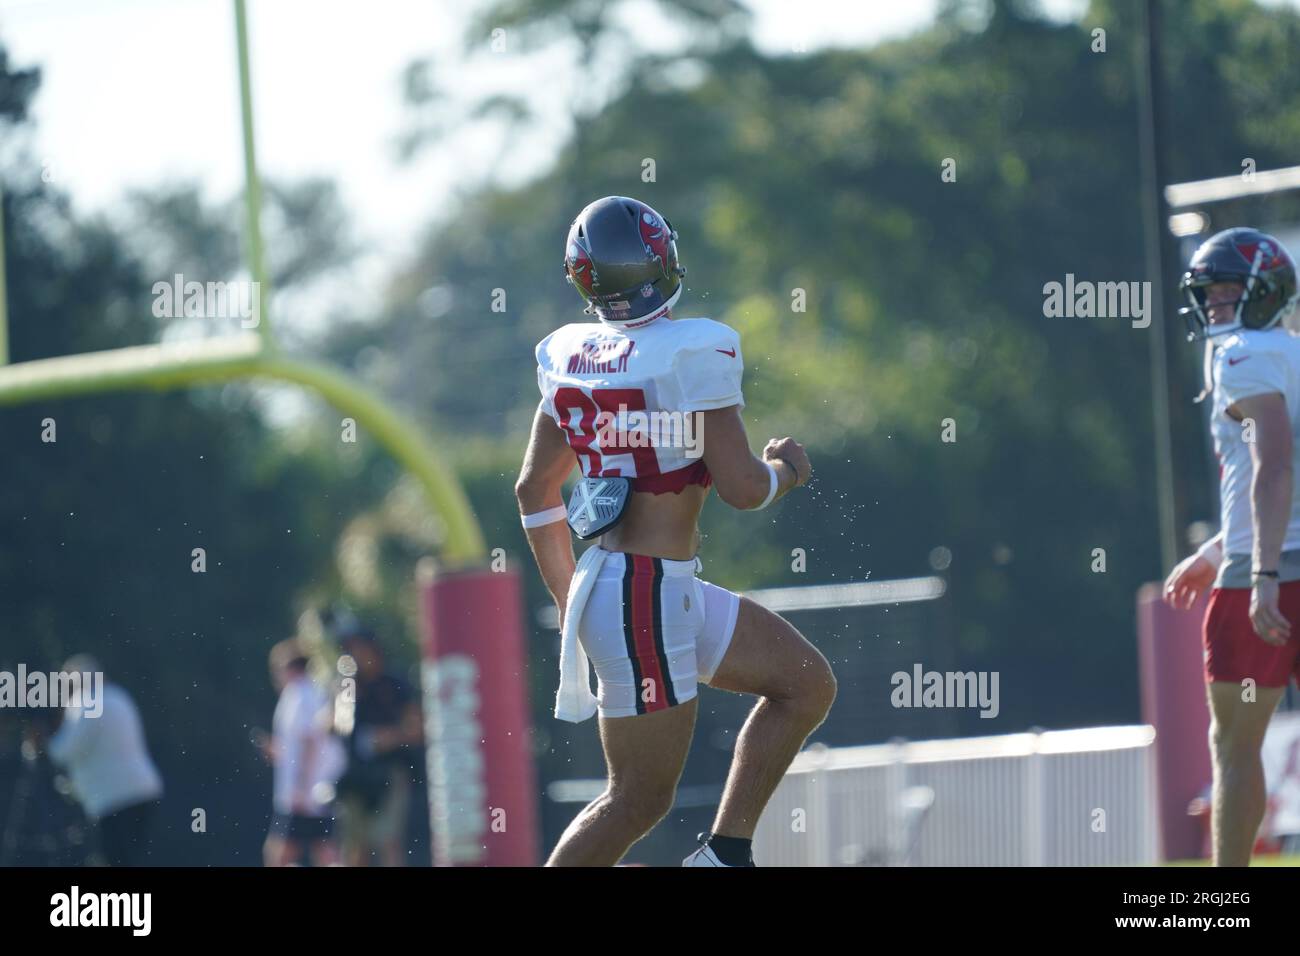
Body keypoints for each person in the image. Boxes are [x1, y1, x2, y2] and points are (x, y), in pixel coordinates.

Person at [516, 196, 836, 867]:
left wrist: (566, 597)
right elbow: (743, 488)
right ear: (661, 258)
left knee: (805, 683)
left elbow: (534, 490)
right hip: (641, 595)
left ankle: (724, 854)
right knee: (635, 798)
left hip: (643, 588)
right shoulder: (695, 348)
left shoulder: (568, 354)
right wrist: (788, 470)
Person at [1163, 226, 1300, 866]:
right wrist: (1216, 551)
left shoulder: (1241, 355)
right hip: (1256, 560)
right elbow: (1269, 478)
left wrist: (1262, 573)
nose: (1215, 307)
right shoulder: (1292, 353)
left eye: (1227, 292)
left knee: (1235, 747)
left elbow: (1273, 466)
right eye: (1209, 294)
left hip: (1263, 582)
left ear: (1264, 293)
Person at [47, 655, 163, 866]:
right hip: (144, 790)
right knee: (131, 859)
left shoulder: (85, 702)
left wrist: (46, 742)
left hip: (113, 798)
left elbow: (66, 750)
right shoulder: (120, 696)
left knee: (114, 861)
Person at [333, 627, 422, 867]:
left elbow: (417, 730)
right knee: (355, 845)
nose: (356, 656)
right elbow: (340, 724)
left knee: (387, 840)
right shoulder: (348, 686)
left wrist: (390, 737)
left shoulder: (395, 684)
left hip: (390, 772)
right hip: (356, 775)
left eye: (359, 649)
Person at [258, 638, 344, 867]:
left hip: (301, 794)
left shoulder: (299, 694)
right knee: (323, 851)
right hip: (307, 791)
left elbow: (309, 742)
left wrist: (301, 786)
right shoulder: (302, 694)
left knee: (279, 856)